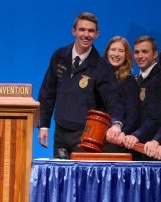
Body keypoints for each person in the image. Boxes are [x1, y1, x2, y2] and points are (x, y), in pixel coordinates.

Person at [37, 12, 124, 159]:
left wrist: (117, 123)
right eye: (82, 29)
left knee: (81, 180)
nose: (86, 34)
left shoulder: (101, 67)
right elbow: (47, 92)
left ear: (97, 34)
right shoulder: (59, 56)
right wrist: (44, 125)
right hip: (60, 133)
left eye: (91, 31)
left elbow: (113, 98)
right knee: (59, 178)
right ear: (74, 31)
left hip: (85, 136)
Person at [121, 35, 161, 160]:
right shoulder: (137, 79)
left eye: (145, 52)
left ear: (155, 54)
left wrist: (136, 135)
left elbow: (156, 118)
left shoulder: (160, 81)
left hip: (150, 149)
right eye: (137, 52)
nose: (140, 56)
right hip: (136, 145)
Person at [102, 36, 140, 152]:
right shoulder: (99, 77)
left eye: (121, 51)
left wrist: (122, 131)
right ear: (107, 52)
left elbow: (133, 112)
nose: (116, 54)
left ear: (126, 55)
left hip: (116, 140)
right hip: (97, 135)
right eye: (113, 50)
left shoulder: (129, 81)